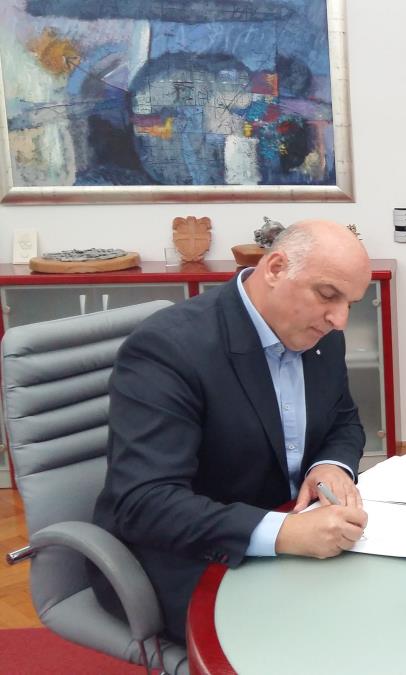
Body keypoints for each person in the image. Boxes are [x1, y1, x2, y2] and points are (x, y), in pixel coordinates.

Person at [92, 220, 372, 641]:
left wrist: (331, 466)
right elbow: (145, 504)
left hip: (294, 534)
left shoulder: (319, 333)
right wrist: (284, 533)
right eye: (328, 295)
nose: (340, 320)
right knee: (321, 639)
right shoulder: (168, 349)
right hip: (191, 555)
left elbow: (343, 419)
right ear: (275, 269)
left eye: (350, 303)